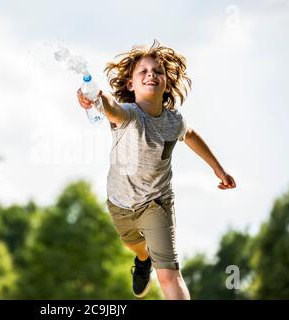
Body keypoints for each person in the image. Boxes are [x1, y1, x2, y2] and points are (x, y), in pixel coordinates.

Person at [76, 40, 236, 300]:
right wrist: (96, 97)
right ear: (131, 84)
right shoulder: (128, 115)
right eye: (143, 71)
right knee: (132, 244)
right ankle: (142, 259)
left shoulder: (174, 121)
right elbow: (110, 107)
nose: (151, 74)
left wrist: (218, 169)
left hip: (156, 202)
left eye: (157, 71)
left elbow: (191, 134)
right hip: (119, 202)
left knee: (169, 275)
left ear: (166, 82)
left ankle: (152, 260)